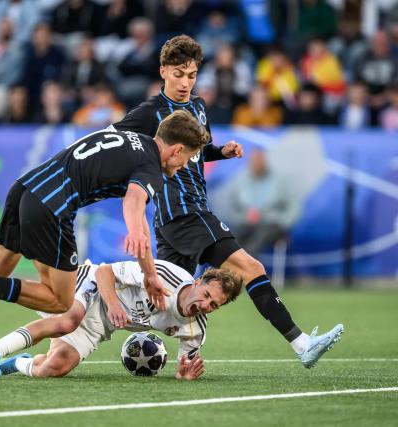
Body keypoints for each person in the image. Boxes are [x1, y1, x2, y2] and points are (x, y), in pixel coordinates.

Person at [0, 110, 210, 379]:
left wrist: (149, 274)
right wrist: (134, 230)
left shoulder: (129, 137)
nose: (185, 165)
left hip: (25, 189)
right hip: (53, 206)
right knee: (59, 301)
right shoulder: (151, 167)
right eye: (188, 158)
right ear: (176, 149)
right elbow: (134, 201)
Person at [110, 35, 343, 368]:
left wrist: (221, 152)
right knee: (252, 268)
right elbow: (113, 138)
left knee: (169, 299)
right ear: (163, 71)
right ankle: (302, 343)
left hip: (169, 222)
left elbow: (196, 150)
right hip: (187, 211)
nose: (185, 82)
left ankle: (181, 358)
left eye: (191, 75)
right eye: (178, 74)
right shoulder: (150, 112)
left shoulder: (199, 107)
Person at [0, 261, 243, 380]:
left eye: (213, 305)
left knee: (55, 367)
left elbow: (184, 368)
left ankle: (15, 362)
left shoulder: (195, 331)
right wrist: (112, 305)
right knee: (68, 320)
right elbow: (106, 272)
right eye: (206, 295)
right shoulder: (165, 276)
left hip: (104, 324)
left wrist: (184, 376)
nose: (205, 305)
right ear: (197, 282)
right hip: (95, 287)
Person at [228, 149, 301, 258]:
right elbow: (232, 208)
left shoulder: (279, 181)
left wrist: (280, 221)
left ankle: (249, 272)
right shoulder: (241, 181)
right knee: (232, 240)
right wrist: (244, 217)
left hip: (273, 225)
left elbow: (293, 207)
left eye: (259, 160)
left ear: (265, 162)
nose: (256, 163)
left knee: (257, 239)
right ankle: (230, 271)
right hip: (248, 223)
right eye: (254, 161)